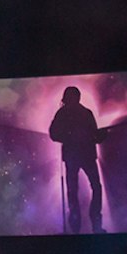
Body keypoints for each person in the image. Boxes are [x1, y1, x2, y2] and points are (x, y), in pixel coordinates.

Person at [49, 86, 104, 234]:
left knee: (81, 190)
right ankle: (87, 225)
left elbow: (95, 136)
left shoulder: (78, 113)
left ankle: (79, 226)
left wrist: (99, 136)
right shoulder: (80, 113)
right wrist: (71, 135)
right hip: (80, 156)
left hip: (80, 156)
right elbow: (54, 134)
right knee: (88, 189)